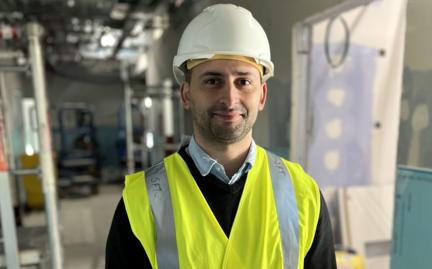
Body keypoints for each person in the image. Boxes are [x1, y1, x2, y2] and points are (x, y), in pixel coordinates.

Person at [106, 4, 336, 269]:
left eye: (243, 81)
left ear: (261, 95)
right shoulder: (141, 202)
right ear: (186, 94)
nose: (229, 98)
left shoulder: (303, 196)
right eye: (213, 81)